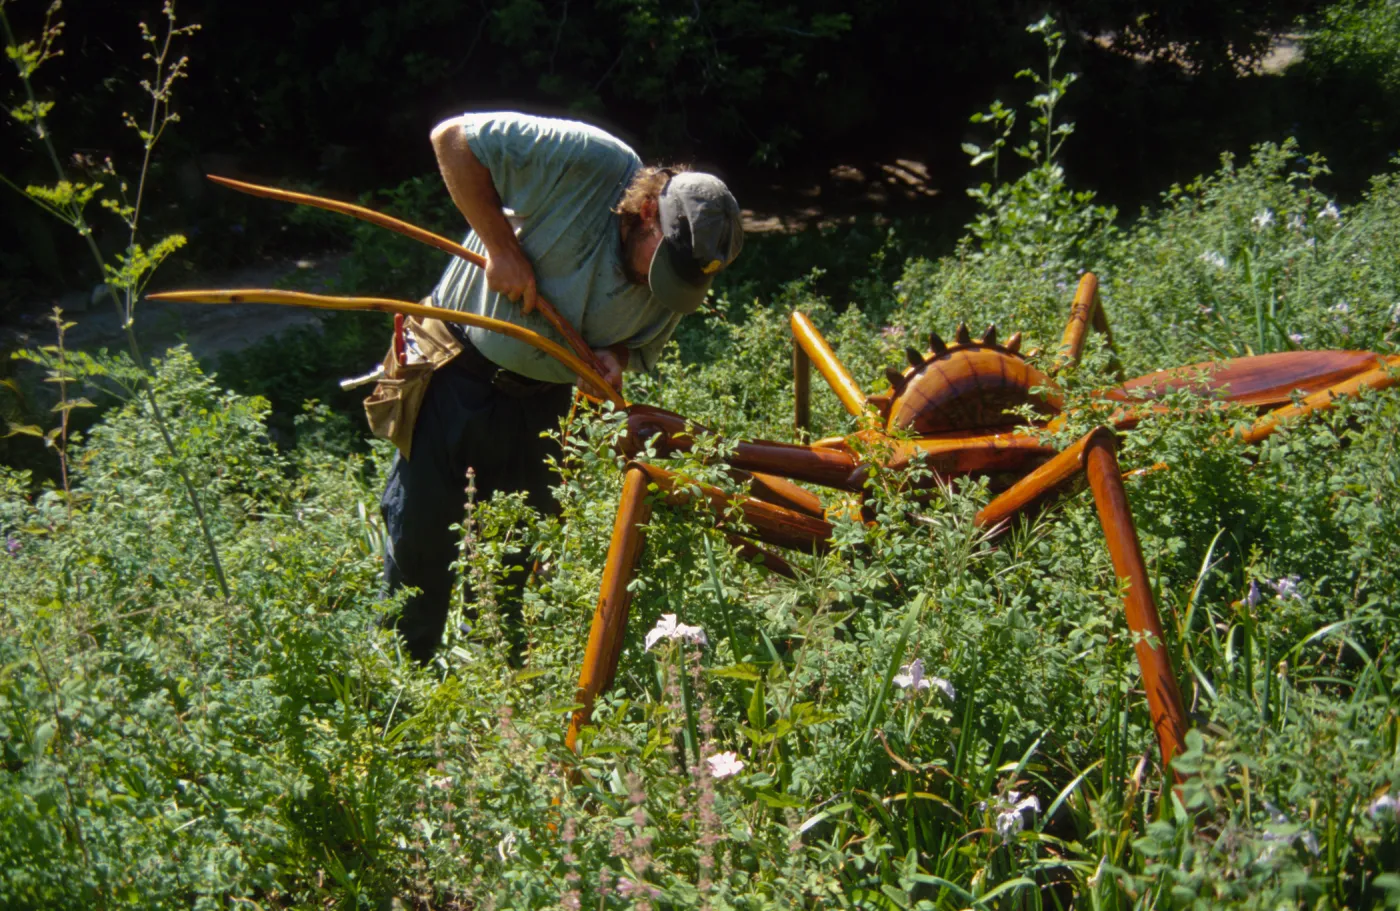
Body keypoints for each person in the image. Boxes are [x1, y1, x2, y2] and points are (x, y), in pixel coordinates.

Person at [379, 111, 744, 663]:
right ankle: (396, 693)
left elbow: (639, 344)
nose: (659, 286)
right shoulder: (589, 163)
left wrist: (614, 358)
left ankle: (496, 705)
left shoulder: (682, 272)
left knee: (512, 563)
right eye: (660, 265)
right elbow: (451, 140)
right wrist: (501, 248)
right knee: (420, 545)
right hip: (453, 371)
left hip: (541, 406)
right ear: (648, 212)